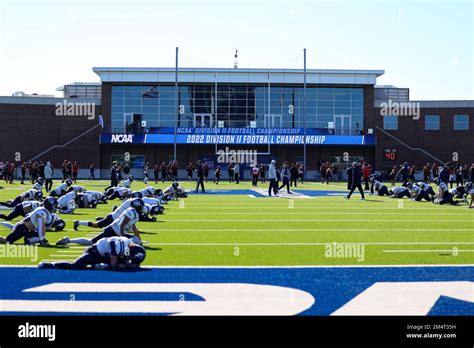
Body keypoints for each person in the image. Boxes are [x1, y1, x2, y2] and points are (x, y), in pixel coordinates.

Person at [58, 199, 144, 246]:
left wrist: (139, 239)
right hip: (113, 230)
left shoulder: (135, 213)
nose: (143, 208)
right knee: (91, 242)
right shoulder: (131, 211)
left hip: (117, 231)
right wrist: (122, 237)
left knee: (134, 239)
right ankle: (68, 240)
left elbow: (133, 226)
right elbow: (122, 225)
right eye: (142, 206)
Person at [39, 236, 146, 270]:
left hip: (107, 253)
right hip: (95, 252)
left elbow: (131, 259)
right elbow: (114, 264)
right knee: (76, 266)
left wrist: (131, 264)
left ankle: (97, 265)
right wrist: (124, 265)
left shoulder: (130, 245)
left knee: (123, 265)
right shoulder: (120, 247)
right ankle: (50, 264)